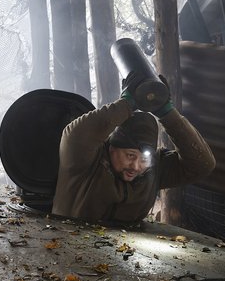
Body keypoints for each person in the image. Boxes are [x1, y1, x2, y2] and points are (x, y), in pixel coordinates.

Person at [52, 84, 215, 225]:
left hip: (121, 254)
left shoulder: (153, 169)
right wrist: (128, 103)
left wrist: (167, 113)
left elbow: (203, 165)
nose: (136, 166)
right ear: (112, 148)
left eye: (144, 159)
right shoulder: (86, 159)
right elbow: (75, 133)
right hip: (69, 246)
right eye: (130, 156)